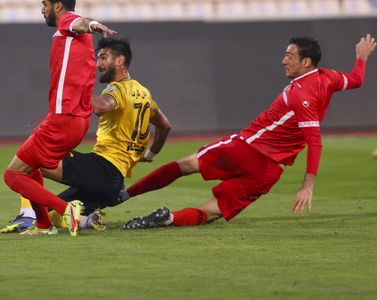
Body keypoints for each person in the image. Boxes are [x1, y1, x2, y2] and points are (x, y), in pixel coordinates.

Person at [120, 34, 376, 230]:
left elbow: (315, 142)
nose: (284, 61)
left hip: (246, 148)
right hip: (268, 172)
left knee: (185, 165)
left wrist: (307, 186)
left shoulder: (301, 94)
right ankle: (168, 219)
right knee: (211, 213)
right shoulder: (328, 77)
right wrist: (362, 57)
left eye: (289, 56)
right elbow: (356, 79)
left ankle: (123, 195)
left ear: (306, 62)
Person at [0, 36, 171, 233]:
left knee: (32, 157)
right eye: (98, 58)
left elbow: (100, 107)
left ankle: (27, 215)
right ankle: (83, 220)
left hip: (102, 168)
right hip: (112, 184)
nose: (98, 64)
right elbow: (165, 126)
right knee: (47, 208)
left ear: (120, 60)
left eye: (103, 57)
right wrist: (150, 155)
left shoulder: (118, 88)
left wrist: (79, 79)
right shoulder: (144, 93)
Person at [3, 0, 117, 236]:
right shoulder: (73, 36)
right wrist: (90, 26)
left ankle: (66, 209)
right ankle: (44, 225)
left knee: (12, 176)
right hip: (77, 121)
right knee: (29, 166)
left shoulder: (68, 22)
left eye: (44, 4)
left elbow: (81, 21)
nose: (42, 10)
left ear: (58, 6)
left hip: (63, 119)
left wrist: (93, 24)